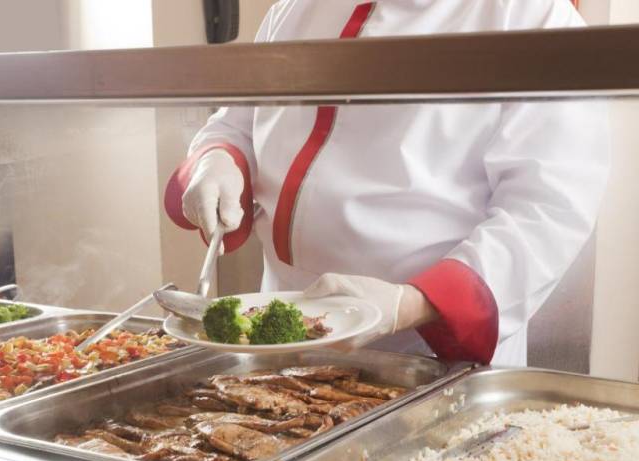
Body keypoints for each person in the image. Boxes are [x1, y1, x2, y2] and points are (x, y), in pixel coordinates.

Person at [164, 0, 610, 366]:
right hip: (278, 330)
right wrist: (218, 159)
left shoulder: (531, 16)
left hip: (425, 347)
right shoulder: (295, 8)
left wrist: (409, 304)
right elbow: (237, 121)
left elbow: (546, 213)